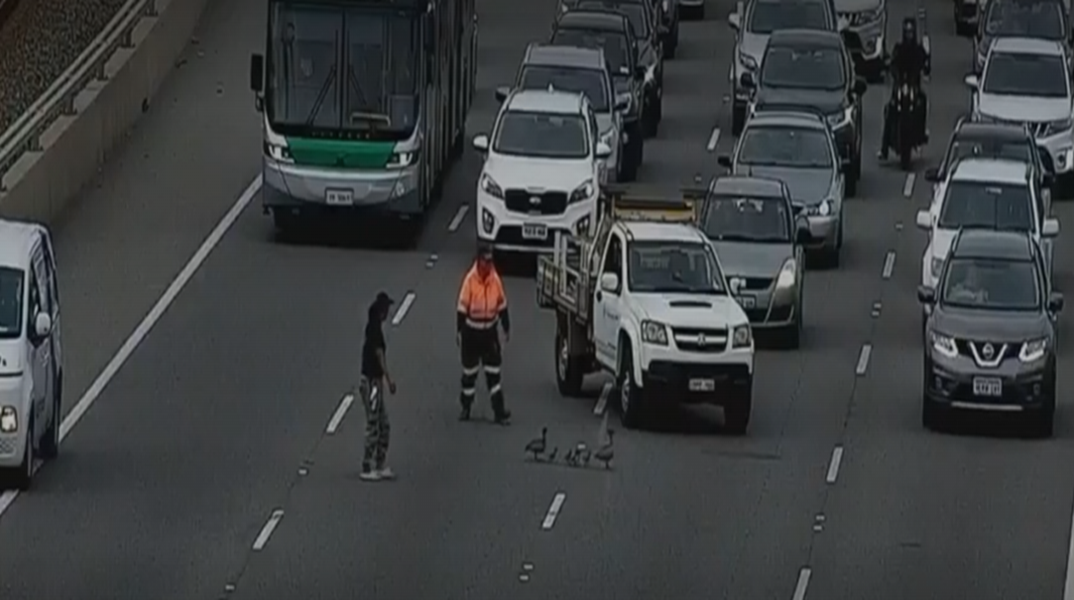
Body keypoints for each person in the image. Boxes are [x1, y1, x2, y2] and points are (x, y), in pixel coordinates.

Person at [456, 245, 512, 424]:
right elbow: (462, 308)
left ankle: (499, 411)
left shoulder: (495, 280)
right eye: (485, 261)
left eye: (490, 261)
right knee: (469, 374)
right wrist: (459, 331)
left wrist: (506, 327)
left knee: (494, 375)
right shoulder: (470, 280)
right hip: (471, 333)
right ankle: (466, 407)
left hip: (489, 333)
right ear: (479, 261)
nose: (489, 265)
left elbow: (502, 305)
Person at [878, 17, 931, 160]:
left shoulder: (918, 50)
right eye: (906, 33)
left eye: (911, 33)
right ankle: (884, 148)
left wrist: (925, 66)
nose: (908, 36)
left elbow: (925, 62)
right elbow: (892, 62)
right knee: (890, 110)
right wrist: (889, 67)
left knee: (923, 102)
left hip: (914, 86)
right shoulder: (898, 49)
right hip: (900, 86)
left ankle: (921, 133)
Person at [359, 291, 397, 481]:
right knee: (374, 423)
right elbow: (379, 356)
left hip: (374, 383)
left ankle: (379, 463)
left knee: (384, 424)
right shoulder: (375, 331)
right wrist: (389, 380)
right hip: (372, 382)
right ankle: (367, 465)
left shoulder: (372, 328)